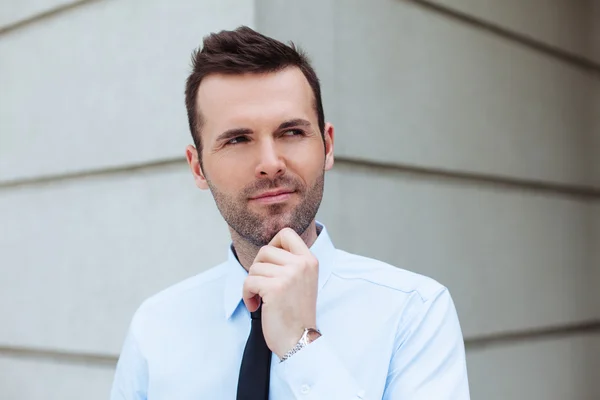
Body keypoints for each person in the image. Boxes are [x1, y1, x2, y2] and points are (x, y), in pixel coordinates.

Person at [110, 26, 470, 399]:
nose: (270, 164)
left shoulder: (413, 312)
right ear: (198, 167)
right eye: (237, 139)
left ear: (327, 145)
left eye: (292, 132)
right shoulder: (155, 328)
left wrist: (301, 347)